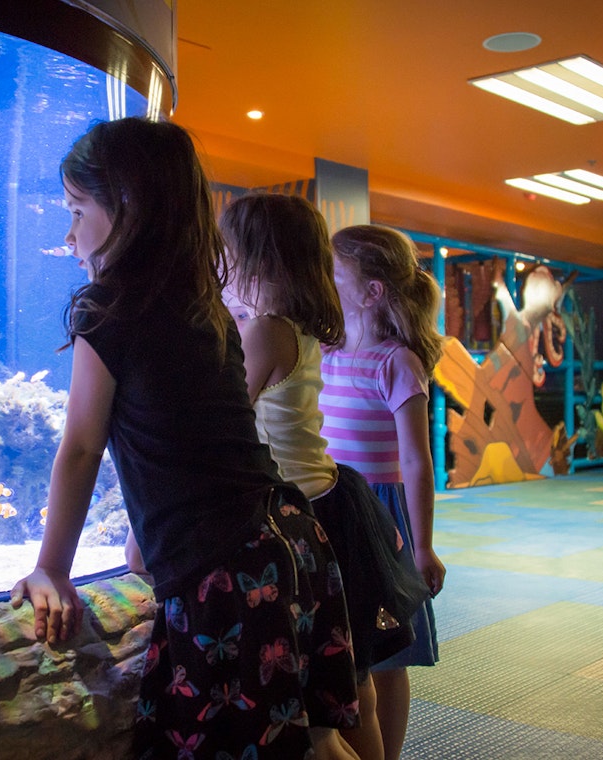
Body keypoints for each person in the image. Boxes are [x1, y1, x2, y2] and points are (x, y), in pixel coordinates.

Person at [9, 117, 361, 760]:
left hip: (223, 574)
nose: (68, 233)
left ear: (128, 207)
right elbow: (201, 443)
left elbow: (84, 447)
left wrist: (52, 567)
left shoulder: (107, 307)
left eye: (76, 209)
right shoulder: (211, 312)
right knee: (314, 744)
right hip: (292, 541)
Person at [217, 194, 431, 760]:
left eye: (226, 253)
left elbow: (225, 411)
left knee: (330, 685)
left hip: (302, 512)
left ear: (255, 262)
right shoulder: (294, 327)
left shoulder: (266, 330)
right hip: (328, 501)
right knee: (350, 667)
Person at [318, 224, 447, 760]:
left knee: (390, 653)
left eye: (334, 271)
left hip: (384, 516)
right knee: (346, 645)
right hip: (335, 510)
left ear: (372, 291)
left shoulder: (397, 362)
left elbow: (417, 462)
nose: (323, 279)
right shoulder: (323, 351)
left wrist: (423, 547)